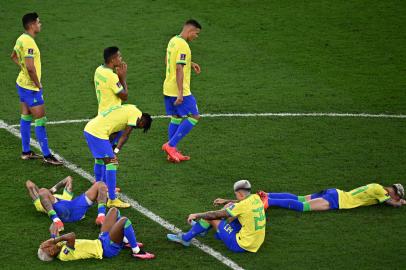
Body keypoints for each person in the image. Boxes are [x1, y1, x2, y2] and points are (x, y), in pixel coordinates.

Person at [10, 12, 61, 165]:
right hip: (31, 87)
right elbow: (31, 68)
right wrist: (37, 84)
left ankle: (26, 152)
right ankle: (47, 155)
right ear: (32, 25)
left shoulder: (21, 38)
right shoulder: (29, 43)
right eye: (38, 22)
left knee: (26, 116)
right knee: (40, 120)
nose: (40, 24)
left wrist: (23, 69)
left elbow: (13, 56)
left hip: (21, 84)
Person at [167, 180, 266, 253]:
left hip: (241, 245)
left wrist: (196, 215)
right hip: (256, 241)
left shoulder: (242, 206)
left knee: (210, 218)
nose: (235, 196)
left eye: (236, 194)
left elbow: (214, 215)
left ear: (240, 193)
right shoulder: (255, 197)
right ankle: (204, 229)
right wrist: (226, 201)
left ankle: (185, 239)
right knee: (229, 206)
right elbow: (241, 203)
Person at [84, 104, 152, 208]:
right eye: (140, 126)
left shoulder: (129, 108)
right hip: (98, 133)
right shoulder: (135, 115)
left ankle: (98, 188)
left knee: (100, 160)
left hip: (90, 129)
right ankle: (112, 199)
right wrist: (115, 153)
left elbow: (116, 133)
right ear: (142, 121)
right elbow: (125, 135)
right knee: (112, 164)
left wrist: (111, 149)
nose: (137, 127)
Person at [37, 207, 155, 261]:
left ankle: (125, 242)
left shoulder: (58, 245)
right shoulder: (63, 254)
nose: (48, 244)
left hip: (101, 240)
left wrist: (53, 237)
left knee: (114, 210)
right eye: (47, 247)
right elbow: (71, 235)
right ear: (51, 252)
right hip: (106, 249)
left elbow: (54, 226)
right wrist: (54, 240)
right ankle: (137, 251)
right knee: (124, 221)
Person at [162, 19, 202, 163]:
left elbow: (168, 61)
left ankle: (171, 153)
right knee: (194, 116)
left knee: (176, 117)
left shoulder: (173, 40)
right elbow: (178, 68)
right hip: (180, 89)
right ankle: (171, 146)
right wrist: (180, 93)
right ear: (190, 31)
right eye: (196, 34)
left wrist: (189, 64)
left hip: (167, 87)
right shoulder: (184, 46)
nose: (196, 37)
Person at [93, 46, 129, 182]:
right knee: (106, 154)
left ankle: (100, 183)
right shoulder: (112, 77)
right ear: (113, 60)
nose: (121, 58)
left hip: (102, 114)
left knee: (102, 153)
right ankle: (102, 185)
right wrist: (122, 78)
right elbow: (124, 96)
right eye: (119, 56)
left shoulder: (98, 70)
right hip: (111, 120)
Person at [25, 176, 108, 229]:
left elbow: (68, 179)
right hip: (60, 209)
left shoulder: (64, 197)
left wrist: (52, 190)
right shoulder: (39, 201)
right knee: (42, 191)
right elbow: (29, 184)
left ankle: (101, 217)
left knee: (100, 184)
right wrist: (47, 192)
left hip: (75, 206)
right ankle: (56, 220)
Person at [254, 183, 405, 212]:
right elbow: (392, 203)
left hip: (335, 192)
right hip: (337, 200)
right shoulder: (383, 193)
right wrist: (401, 203)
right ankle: (269, 201)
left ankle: (267, 195)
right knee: (302, 207)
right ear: (394, 192)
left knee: (300, 198)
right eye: (397, 196)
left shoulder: (376, 186)